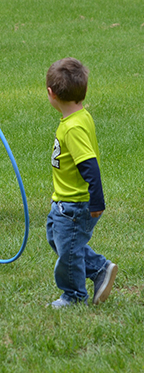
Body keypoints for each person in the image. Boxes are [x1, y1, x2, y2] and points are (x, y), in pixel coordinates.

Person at [46, 57, 118, 308]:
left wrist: (96, 200)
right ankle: (100, 269)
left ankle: (74, 296)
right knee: (58, 240)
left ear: (50, 93)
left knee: (69, 251)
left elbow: (90, 167)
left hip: (75, 204)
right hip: (64, 201)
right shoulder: (78, 117)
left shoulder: (73, 128)